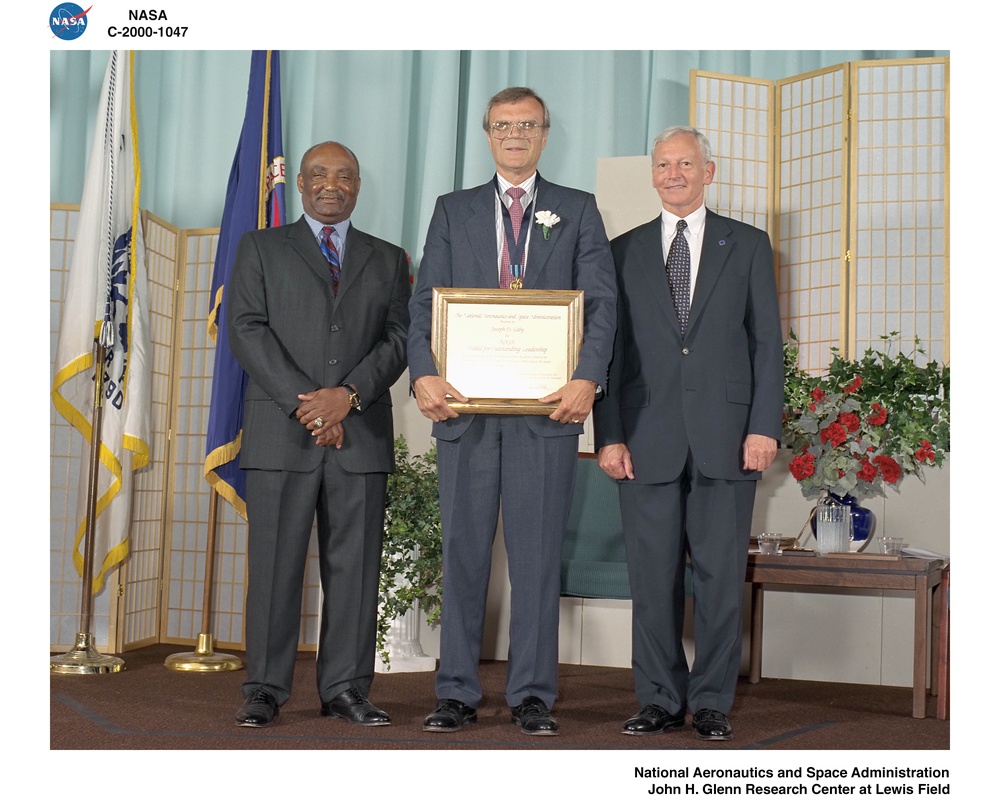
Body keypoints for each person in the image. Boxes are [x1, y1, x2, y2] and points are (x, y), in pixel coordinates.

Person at [407, 87, 617, 736]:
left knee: (535, 559)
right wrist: (422, 376)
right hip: (464, 415)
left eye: (527, 125)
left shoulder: (577, 210)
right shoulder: (453, 211)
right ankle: (455, 693)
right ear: (487, 134)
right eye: (504, 125)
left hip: (545, 417)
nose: (516, 135)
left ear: (545, 135)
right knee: (463, 556)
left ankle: (532, 695)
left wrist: (587, 379)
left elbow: (602, 306)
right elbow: (423, 306)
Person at [593, 126, 783, 741]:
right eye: (663, 164)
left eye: (685, 163)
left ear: (710, 170)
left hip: (729, 438)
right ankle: (656, 698)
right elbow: (609, 352)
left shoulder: (749, 245)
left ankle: (710, 705)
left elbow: (766, 347)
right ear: (653, 175)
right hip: (644, 437)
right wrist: (610, 435)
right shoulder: (620, 251)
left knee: (721, 580)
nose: (673, 173)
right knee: (651, 580)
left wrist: (763, 428)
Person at [227, 141, 410, 728]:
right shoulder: (259, 247)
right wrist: (311, 407)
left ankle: (346, 689)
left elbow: (401, 340)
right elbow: (247, 330)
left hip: (359, 438)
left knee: (355, 571)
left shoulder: (389, 258)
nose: (332, 184)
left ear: (359, 185)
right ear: (300, 184)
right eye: (319, 175)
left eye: (345, 175)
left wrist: (347, 398)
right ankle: (264, 689)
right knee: (274, 568)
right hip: (283, 435)